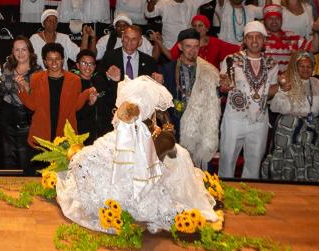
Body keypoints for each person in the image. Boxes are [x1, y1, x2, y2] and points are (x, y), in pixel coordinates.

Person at [55, 76, 219, 234]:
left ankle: (114, 200)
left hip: (122, 169)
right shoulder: (145, 135)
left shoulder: (133, 132)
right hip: (132, 174)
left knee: (91, 160)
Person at [218, 21, 280, 179]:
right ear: (244, 41)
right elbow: (223, 84)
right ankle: (223, 195)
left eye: (258, 37)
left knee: (254, 161)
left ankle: (250, 197)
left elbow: (272, 90)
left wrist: (281, 87)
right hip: (235, 118)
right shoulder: (231, 59)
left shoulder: (272, 64)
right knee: (227, 158)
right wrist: (223, 85)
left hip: (260, 119)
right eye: (250, 37)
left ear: (264, 41)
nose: (254, 40)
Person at [261, 50, 319, 181]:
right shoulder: (286, 81)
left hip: (311, 128)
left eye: (309, 66)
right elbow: (275, 107)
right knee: (287, 159)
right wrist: (282, 90)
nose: (306, 69)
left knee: (311, 157)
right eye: (302, 66)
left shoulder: (316, 83)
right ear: (295, 66)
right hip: (288, 127)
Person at [158, 28, 222, 169]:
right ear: (180, 46)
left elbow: (215, 100)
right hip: (176, 126)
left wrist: (223, 88)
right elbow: (159, 102)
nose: (192, 51)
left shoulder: (209, 71)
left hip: (201, 128)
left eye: (196, 46)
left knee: (201, 173)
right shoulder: (167, 70)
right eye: (188, 46)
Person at [17, 42, 97, 152]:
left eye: (57, 58)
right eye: (50, 59)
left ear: (63, 60)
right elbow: (32, 105)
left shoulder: (74, 80)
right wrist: (22, 89)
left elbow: (76, 106)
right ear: (45, 61)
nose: (54, 62)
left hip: (65, 135)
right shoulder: (36, 78)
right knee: (38, 168)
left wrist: (87, 93)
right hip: (41, 134)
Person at [95, 25, 157, 135]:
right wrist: (110, 78)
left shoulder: (149, 62)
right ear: (122, 38)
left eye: (134, 39)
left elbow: (153, 91)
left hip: (141, 116)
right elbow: (98, 81)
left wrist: (159, 83)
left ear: (140, 41)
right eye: (127, 38)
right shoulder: (109, 57)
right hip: (114, 113)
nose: (129, 42)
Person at [0, 36, 40, 170]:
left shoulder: (38, 72)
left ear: (30, 51)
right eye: (17, 50)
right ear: (12, 52)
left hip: (27, 120)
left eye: (23, 49)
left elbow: (39, 99)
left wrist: (26, 87)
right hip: (7, 119)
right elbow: (0, 92)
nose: (20, 53)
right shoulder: (7, 68)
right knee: (7, 160)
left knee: (26, 160)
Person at [145, 0, 217, 48]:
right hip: (170, 47)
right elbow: (149, 14)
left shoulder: (192, 0)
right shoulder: (164, 4)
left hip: (189, 48)